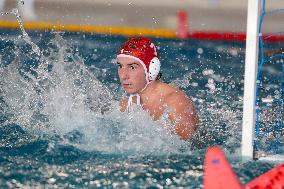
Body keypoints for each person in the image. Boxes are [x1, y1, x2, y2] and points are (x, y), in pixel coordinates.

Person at [116, 37, 199, 140]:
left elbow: (189, 151)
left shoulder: (175, 103)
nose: (123, 75)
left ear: (152, 68)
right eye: (120, 66)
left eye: (132, 67)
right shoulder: (126, 105)